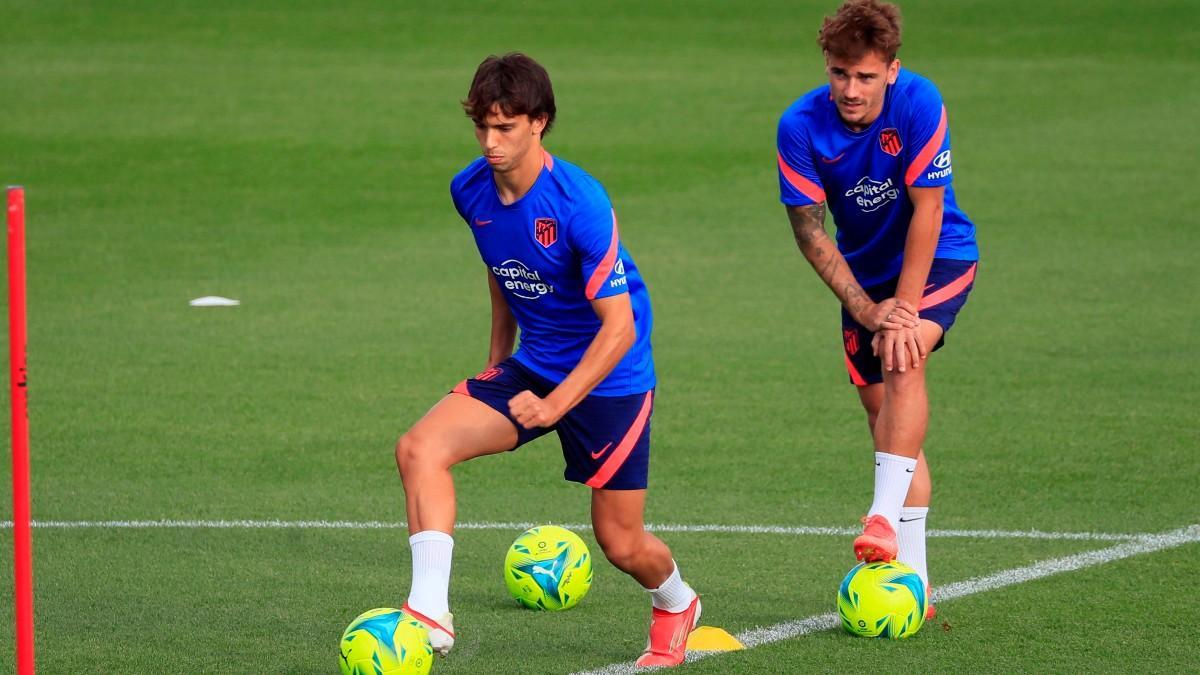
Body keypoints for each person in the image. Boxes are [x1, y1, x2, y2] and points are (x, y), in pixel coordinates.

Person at [394, 52, 700, 667]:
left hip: (612, 379)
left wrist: (555, 405)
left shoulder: (578, 201)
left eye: (505, 128)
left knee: (620, 541)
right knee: (419, 449)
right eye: (482, 125)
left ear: (539, 123)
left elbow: (619, 328)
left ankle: (676, 602)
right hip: (534, 365)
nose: (490, 142)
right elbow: (500, 267)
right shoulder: (469, 189)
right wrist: (494, 363)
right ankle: (429, 612)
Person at [776, 0, 979, 618]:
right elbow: (810, 233)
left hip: (939, 256)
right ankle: (916, 586)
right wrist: (868, 310)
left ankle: (880, 519)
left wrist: (904, 313)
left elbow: (929, 209)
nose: (850, 89)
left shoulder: (919, 102)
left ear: (892, 69)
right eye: (839, 73)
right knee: (884, 420)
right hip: (861, 279)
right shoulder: (800, 125)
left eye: (865, 76)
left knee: (903, 354)